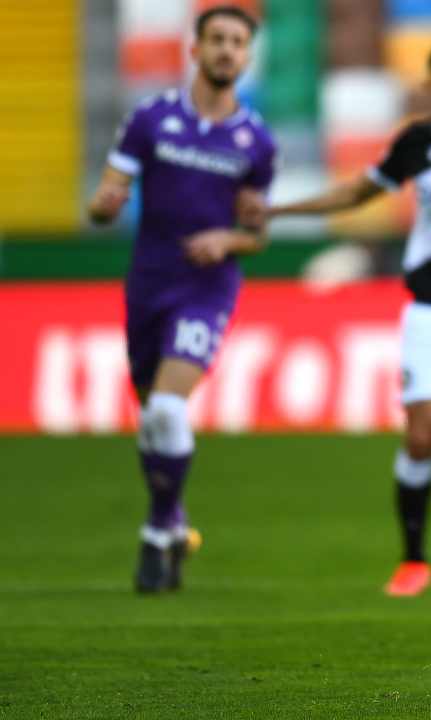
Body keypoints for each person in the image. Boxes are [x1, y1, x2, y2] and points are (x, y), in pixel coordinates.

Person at [269, 41, 431, 598]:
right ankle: (413, 561)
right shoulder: (415, 144)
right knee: (421, 434)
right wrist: (280, 210)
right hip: (430, 310)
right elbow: (356, 191)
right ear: (429, 87)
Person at [86, 5, 277, 593]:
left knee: (167, 409)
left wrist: (229, 238)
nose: (225, 50)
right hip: (148, 281)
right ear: (194, 49)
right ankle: (171, 518)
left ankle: (157, 528)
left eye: (236, 42)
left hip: (207, 288)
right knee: (152, 417)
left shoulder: (255, 143)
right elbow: (107, 193)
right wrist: (105, 205)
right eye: (216, 39)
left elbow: (257, 235)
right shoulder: (150, 120)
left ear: (246, 56)